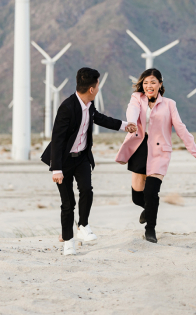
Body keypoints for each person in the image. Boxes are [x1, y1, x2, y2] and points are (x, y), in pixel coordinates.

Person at [41, 67, 137, 256]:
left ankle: (83, 225)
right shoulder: (67, 107)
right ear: (92, 89)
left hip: (82, 157)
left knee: (86, 190)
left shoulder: (89, 105)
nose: (99, 88)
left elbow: (99, 118)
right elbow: (58, 139)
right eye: (98, 85)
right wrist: (56, 169)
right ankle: (68, 241)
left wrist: (124, 125)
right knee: (68, 203)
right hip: (64, 161)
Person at [115, 68, 196, 243]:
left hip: (159, 151)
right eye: (146, 83)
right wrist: (132, 123)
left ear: (160, 84)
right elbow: (132, 111)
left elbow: (180, 128)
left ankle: (150, 229)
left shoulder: (169, 104)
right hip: (140, 148)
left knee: (151, 192)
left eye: (153, 82)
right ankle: (149, 209)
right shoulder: (137, 98)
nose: (149, 86)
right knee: (137, 197)